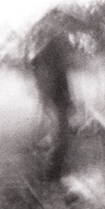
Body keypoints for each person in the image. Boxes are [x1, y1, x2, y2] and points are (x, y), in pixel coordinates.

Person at [31, 33, 75, 181]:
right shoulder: (54, 59)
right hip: (58, 103)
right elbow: (61, 85)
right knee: (62, 138)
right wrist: (69, 104)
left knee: (56, 137)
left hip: (53, 101)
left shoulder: (43, 59)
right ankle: (54, 175)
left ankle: (53, 171)